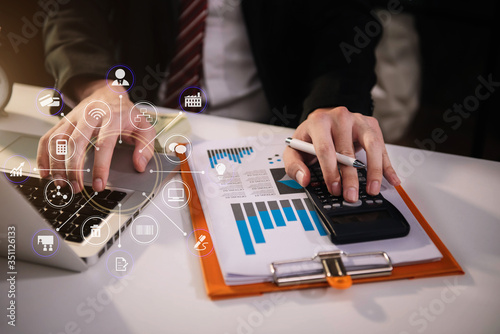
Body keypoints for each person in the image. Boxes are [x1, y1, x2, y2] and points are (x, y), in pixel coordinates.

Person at [38, 0, 400, 203]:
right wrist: (100, 88)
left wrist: (329, 104)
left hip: (269, 130)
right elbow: (73, 10)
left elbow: (347, 20)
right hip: (144, 124)